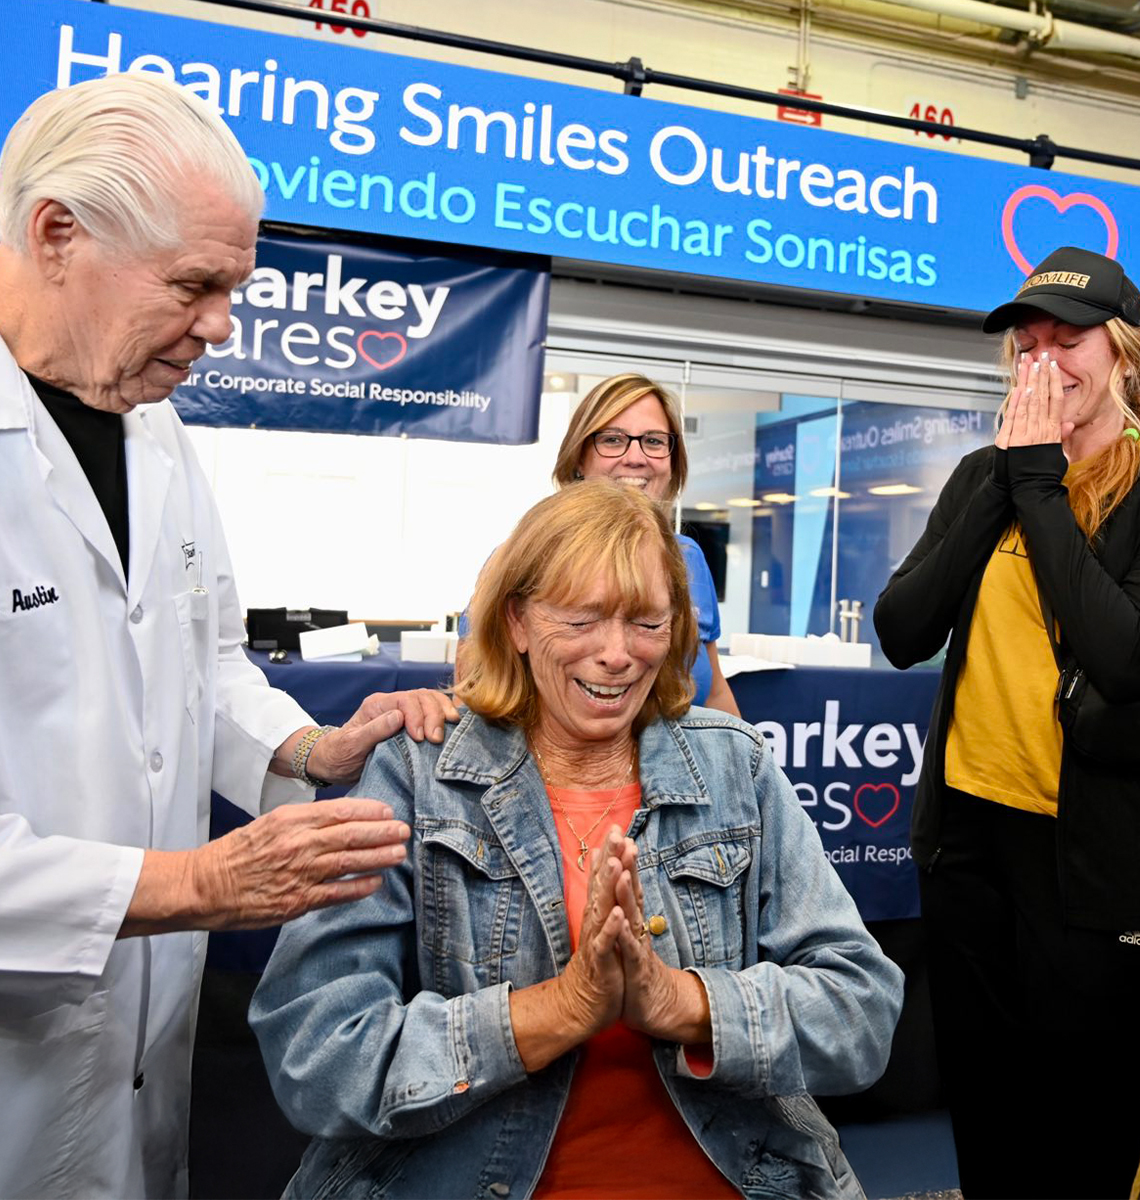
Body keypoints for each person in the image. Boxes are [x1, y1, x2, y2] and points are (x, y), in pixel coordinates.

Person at [0, 74, 458, 1199]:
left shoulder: (154, 431)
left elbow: (199, 663)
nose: (219, 326)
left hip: (137, 1049)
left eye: (234, 289)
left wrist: (307, 750)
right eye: (193, 285)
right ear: (57, 234)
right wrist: (195, 883)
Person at [251, 480, 903, 1200]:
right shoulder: (417, 773)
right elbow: (317, 1055)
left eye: (646, 622)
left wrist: (681, 1003)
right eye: (582, 619)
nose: (617, 655)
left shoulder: (734, 766)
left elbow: (862, 1010)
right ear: (517, 622)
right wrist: (561, 1009)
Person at [874, 246, 1140, 1198]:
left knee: (1082, 1125)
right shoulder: (981, 477)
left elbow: (1123, 657)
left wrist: (1038, 484)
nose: (1045, 360)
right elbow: (903, 630)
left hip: (1088, 857)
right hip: (967, 838)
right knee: (987, 1113)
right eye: (1028, 345)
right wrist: (1004, 480)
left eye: (1069, 339)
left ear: (1122, 353)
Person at [550, 372, 742, 715]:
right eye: (612, 440)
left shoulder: (687, 558)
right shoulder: (532, 557)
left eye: (653, 441)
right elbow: (481, 693)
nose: (636, 457)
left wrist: (747, 749)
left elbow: (714, 694)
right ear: (578, 457)